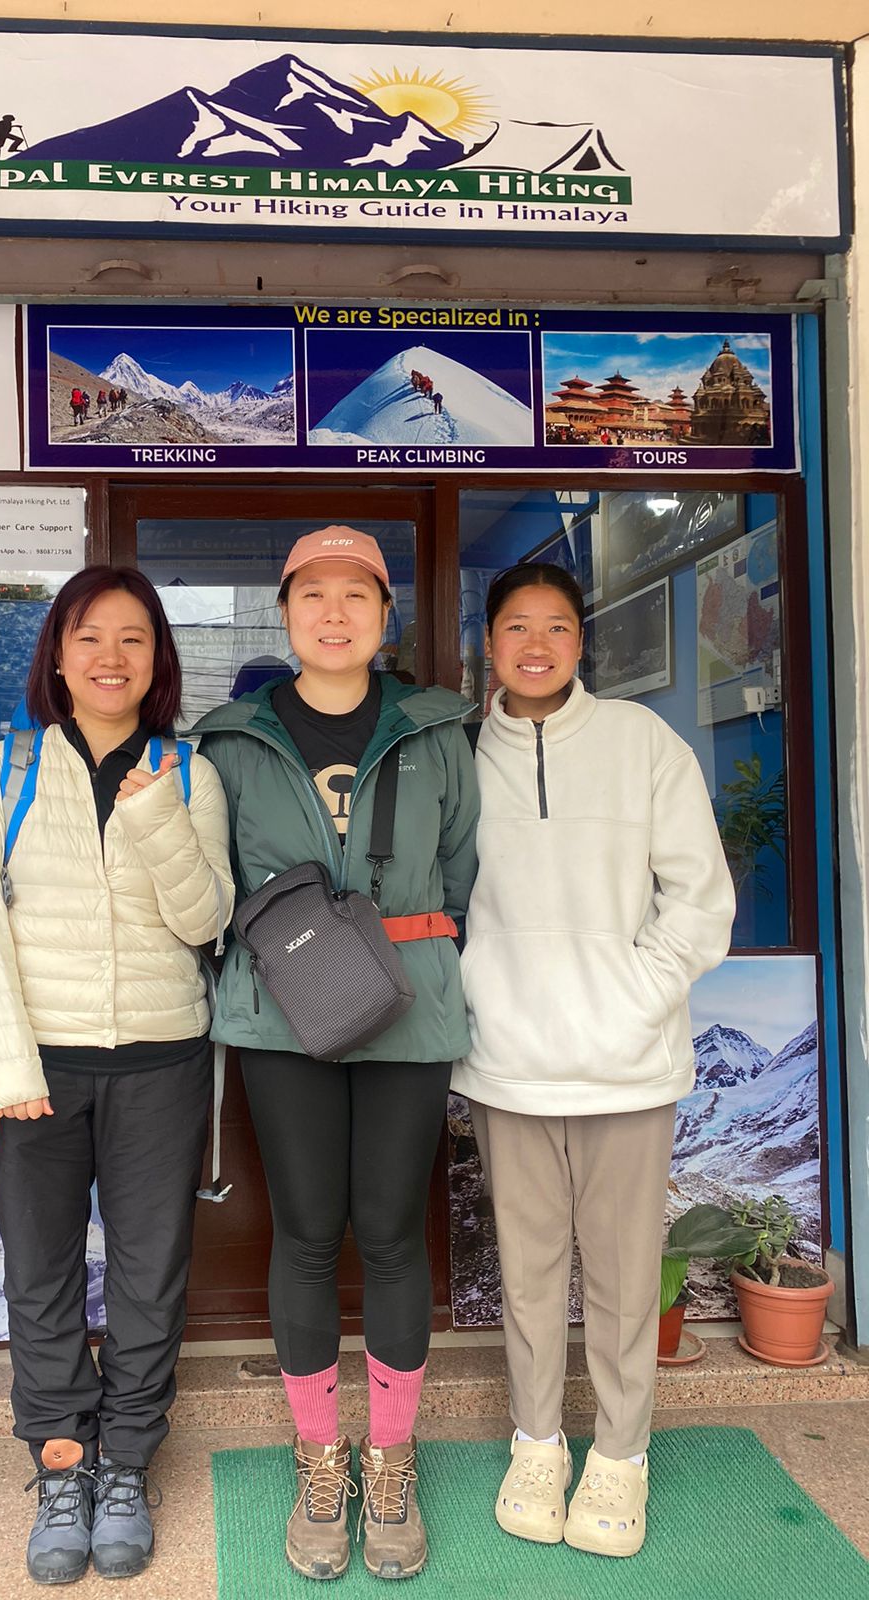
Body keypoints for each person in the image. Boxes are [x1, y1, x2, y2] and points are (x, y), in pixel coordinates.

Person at [195, 528, 479, 1582]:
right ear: (285, 612)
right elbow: (212, 887)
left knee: (394, 1233)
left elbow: (463, 871)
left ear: (385, 615)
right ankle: (323, 1457)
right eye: (311, 594)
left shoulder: (438, 729)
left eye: (354, 594)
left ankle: (391, 1459)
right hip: (283, 1015)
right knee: (309, 1233)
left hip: (411, 1008)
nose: (333, 612)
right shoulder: (232, 741)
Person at [0, 565, 234, 1585]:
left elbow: (207, 921)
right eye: (89, 637)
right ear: (57, 653)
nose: (111, 657)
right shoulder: (6, 770)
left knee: (151, 1268)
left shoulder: (190, 773)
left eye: (134, 639)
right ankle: (62, 1461)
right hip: (39, 1065)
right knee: (43, 1268)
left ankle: (130, 1460)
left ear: (159, 658)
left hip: (163, 1057)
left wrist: (157, 820)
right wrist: (8, 1061)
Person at [456, 563, 734, 1560]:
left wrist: (635, 996)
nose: (536, 643)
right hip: (507, 1061)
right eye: (517, 626)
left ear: (583, 643)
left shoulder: (641, 745)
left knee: (621, 1275)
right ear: (487, 644)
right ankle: (538, 1444)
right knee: (527, 1277)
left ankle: (620, 1455)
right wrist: (472, 994)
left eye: (558, 627)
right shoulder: (455, 752)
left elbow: (700, 899)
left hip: (627, 1063)